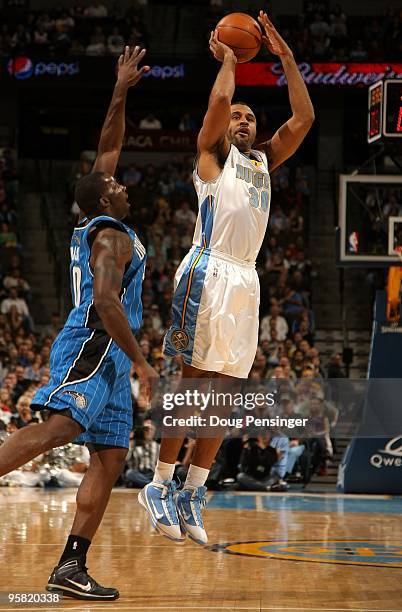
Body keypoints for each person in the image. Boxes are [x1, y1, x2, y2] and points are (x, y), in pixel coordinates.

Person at [139, 11, 314, 544]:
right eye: (237, 116)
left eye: (250, 117)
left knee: (226, 396)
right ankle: (158, 484)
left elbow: (303, 120)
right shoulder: (212, 158)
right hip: (208, 269)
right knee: (192, 389)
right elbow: (217, 103)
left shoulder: (263, 162)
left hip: (246, 280)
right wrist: (232, 61)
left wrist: (285, 59)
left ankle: (192, 489)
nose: (243, 120)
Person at [0, 46, 157, 601]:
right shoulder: (111, 233)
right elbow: (109, 302)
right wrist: (142, 363)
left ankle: (69, 566)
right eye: (118, 185)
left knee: (111, 458)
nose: (125, 184)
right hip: (96, 341)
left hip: (107, 353)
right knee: (64, 426)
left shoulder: (99, 214)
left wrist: (120, 89)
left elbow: (109, 145)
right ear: (106, 199)